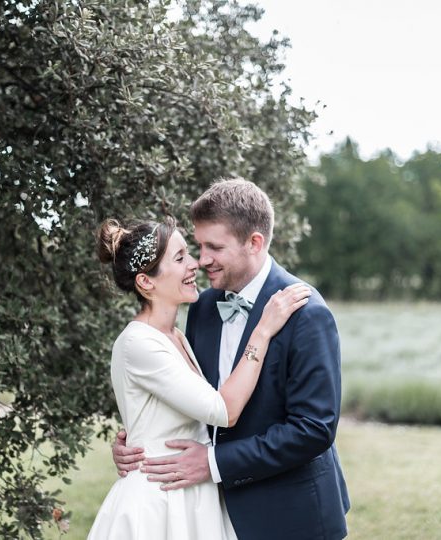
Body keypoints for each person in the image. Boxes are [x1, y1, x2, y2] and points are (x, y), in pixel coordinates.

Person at [113, 178, 351, 540]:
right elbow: (194, 397)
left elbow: (313, 429)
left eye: (214, 247)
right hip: (208, 513)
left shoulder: (306, 313)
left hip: (290, 514)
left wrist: (212, 464)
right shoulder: (203, 306)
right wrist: (140, 440)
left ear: (254, 242)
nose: (202, 259)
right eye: (198, 246)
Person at [88, 216, 311, 540]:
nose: (196, 264)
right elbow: (225, 410)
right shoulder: (139, 343)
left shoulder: (175, 334)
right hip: (158, 501)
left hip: (193, 493)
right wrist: (262, 330)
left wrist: (138, 433)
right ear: (146, 282)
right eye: (180, 258)